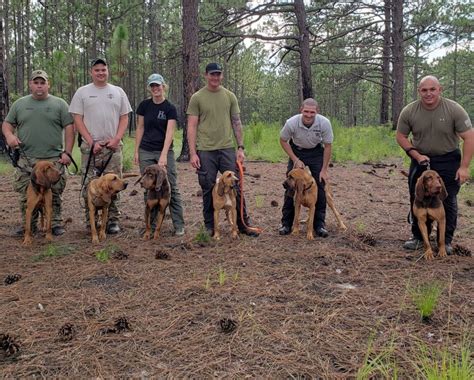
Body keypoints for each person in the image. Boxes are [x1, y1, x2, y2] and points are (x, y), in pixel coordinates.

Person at [396, 75, 473, 253]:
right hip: (420, 159)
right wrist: (415, 154)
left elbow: (469, 137)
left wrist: (464, 166)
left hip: (448, 158)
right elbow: (401, 136)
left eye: (432, 89)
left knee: (447, 199)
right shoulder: (409, 111)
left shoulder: (454, 109)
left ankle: (445, 241)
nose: (428, 93)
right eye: (424, 90)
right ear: (419, 91)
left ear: (440, 89)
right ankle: (417, 237)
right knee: (417, 196)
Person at [187, 62, 259, 237]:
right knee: (207, 187)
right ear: (206, 76)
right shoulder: (197, 97)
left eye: (218, 74)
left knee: (236, 186)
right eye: (212, 74)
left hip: (227, 148)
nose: (215, 77)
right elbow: (192, 125)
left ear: (222, 76)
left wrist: (240, 147)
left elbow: (236, 122)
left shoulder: (229, 96)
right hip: (205, 150)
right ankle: (210, 226)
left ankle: (242, 224)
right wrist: (193, 152)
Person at [2, 70, 75, 236]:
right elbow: (7, 124)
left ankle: (55, 223)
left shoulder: (60, 104)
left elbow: (70, 128)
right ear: (30, 84)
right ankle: (29, 225)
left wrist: (68, 152)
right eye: (36, 82)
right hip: (28, 160)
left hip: (53, 158)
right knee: (25, 193)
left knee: (54, 192)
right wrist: (9, 136)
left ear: (48, 84)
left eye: (43, 82)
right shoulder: (19, 104)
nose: (39, 86)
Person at [69, 58, 132, 234]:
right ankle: (91, 221)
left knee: (114, 184)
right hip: (91, 148)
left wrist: (116, 139)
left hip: (112, 147)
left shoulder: (118, 92)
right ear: (91, 72)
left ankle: (112, 220)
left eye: (103, 70)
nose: (100, 73)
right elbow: (77, 119)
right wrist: (91, 141)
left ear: (108, 71)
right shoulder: (82, 92)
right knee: (89, 184)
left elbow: (124, 117)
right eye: (97, 70)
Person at [135, 73, 185, 236]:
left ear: (164, 86)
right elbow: (140, 128)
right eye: (152, 86)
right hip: (146, 150)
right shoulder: (144, 106)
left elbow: (170, 132)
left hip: (164, 150)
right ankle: (151, 225)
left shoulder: (169, 108)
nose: (155, 88)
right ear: (149, 88)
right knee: (148, 186)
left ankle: (178, 224)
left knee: (170, 185)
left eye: (158, 85)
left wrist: (164, 155)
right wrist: (136, 150)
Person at [278, 98, 334, 238]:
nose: (309, 115)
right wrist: (295, 159)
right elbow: (283, 140)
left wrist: (324, 170)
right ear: (301, 110)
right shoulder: (291, 123)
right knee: (290, 186)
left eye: (312, 112)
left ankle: (319, 225)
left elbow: (327, 146)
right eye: (306, 111)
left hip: (315, 152)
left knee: (319, 185)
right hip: (296, 151)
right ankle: (286, 224)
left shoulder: (324, 123)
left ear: (317, 112)